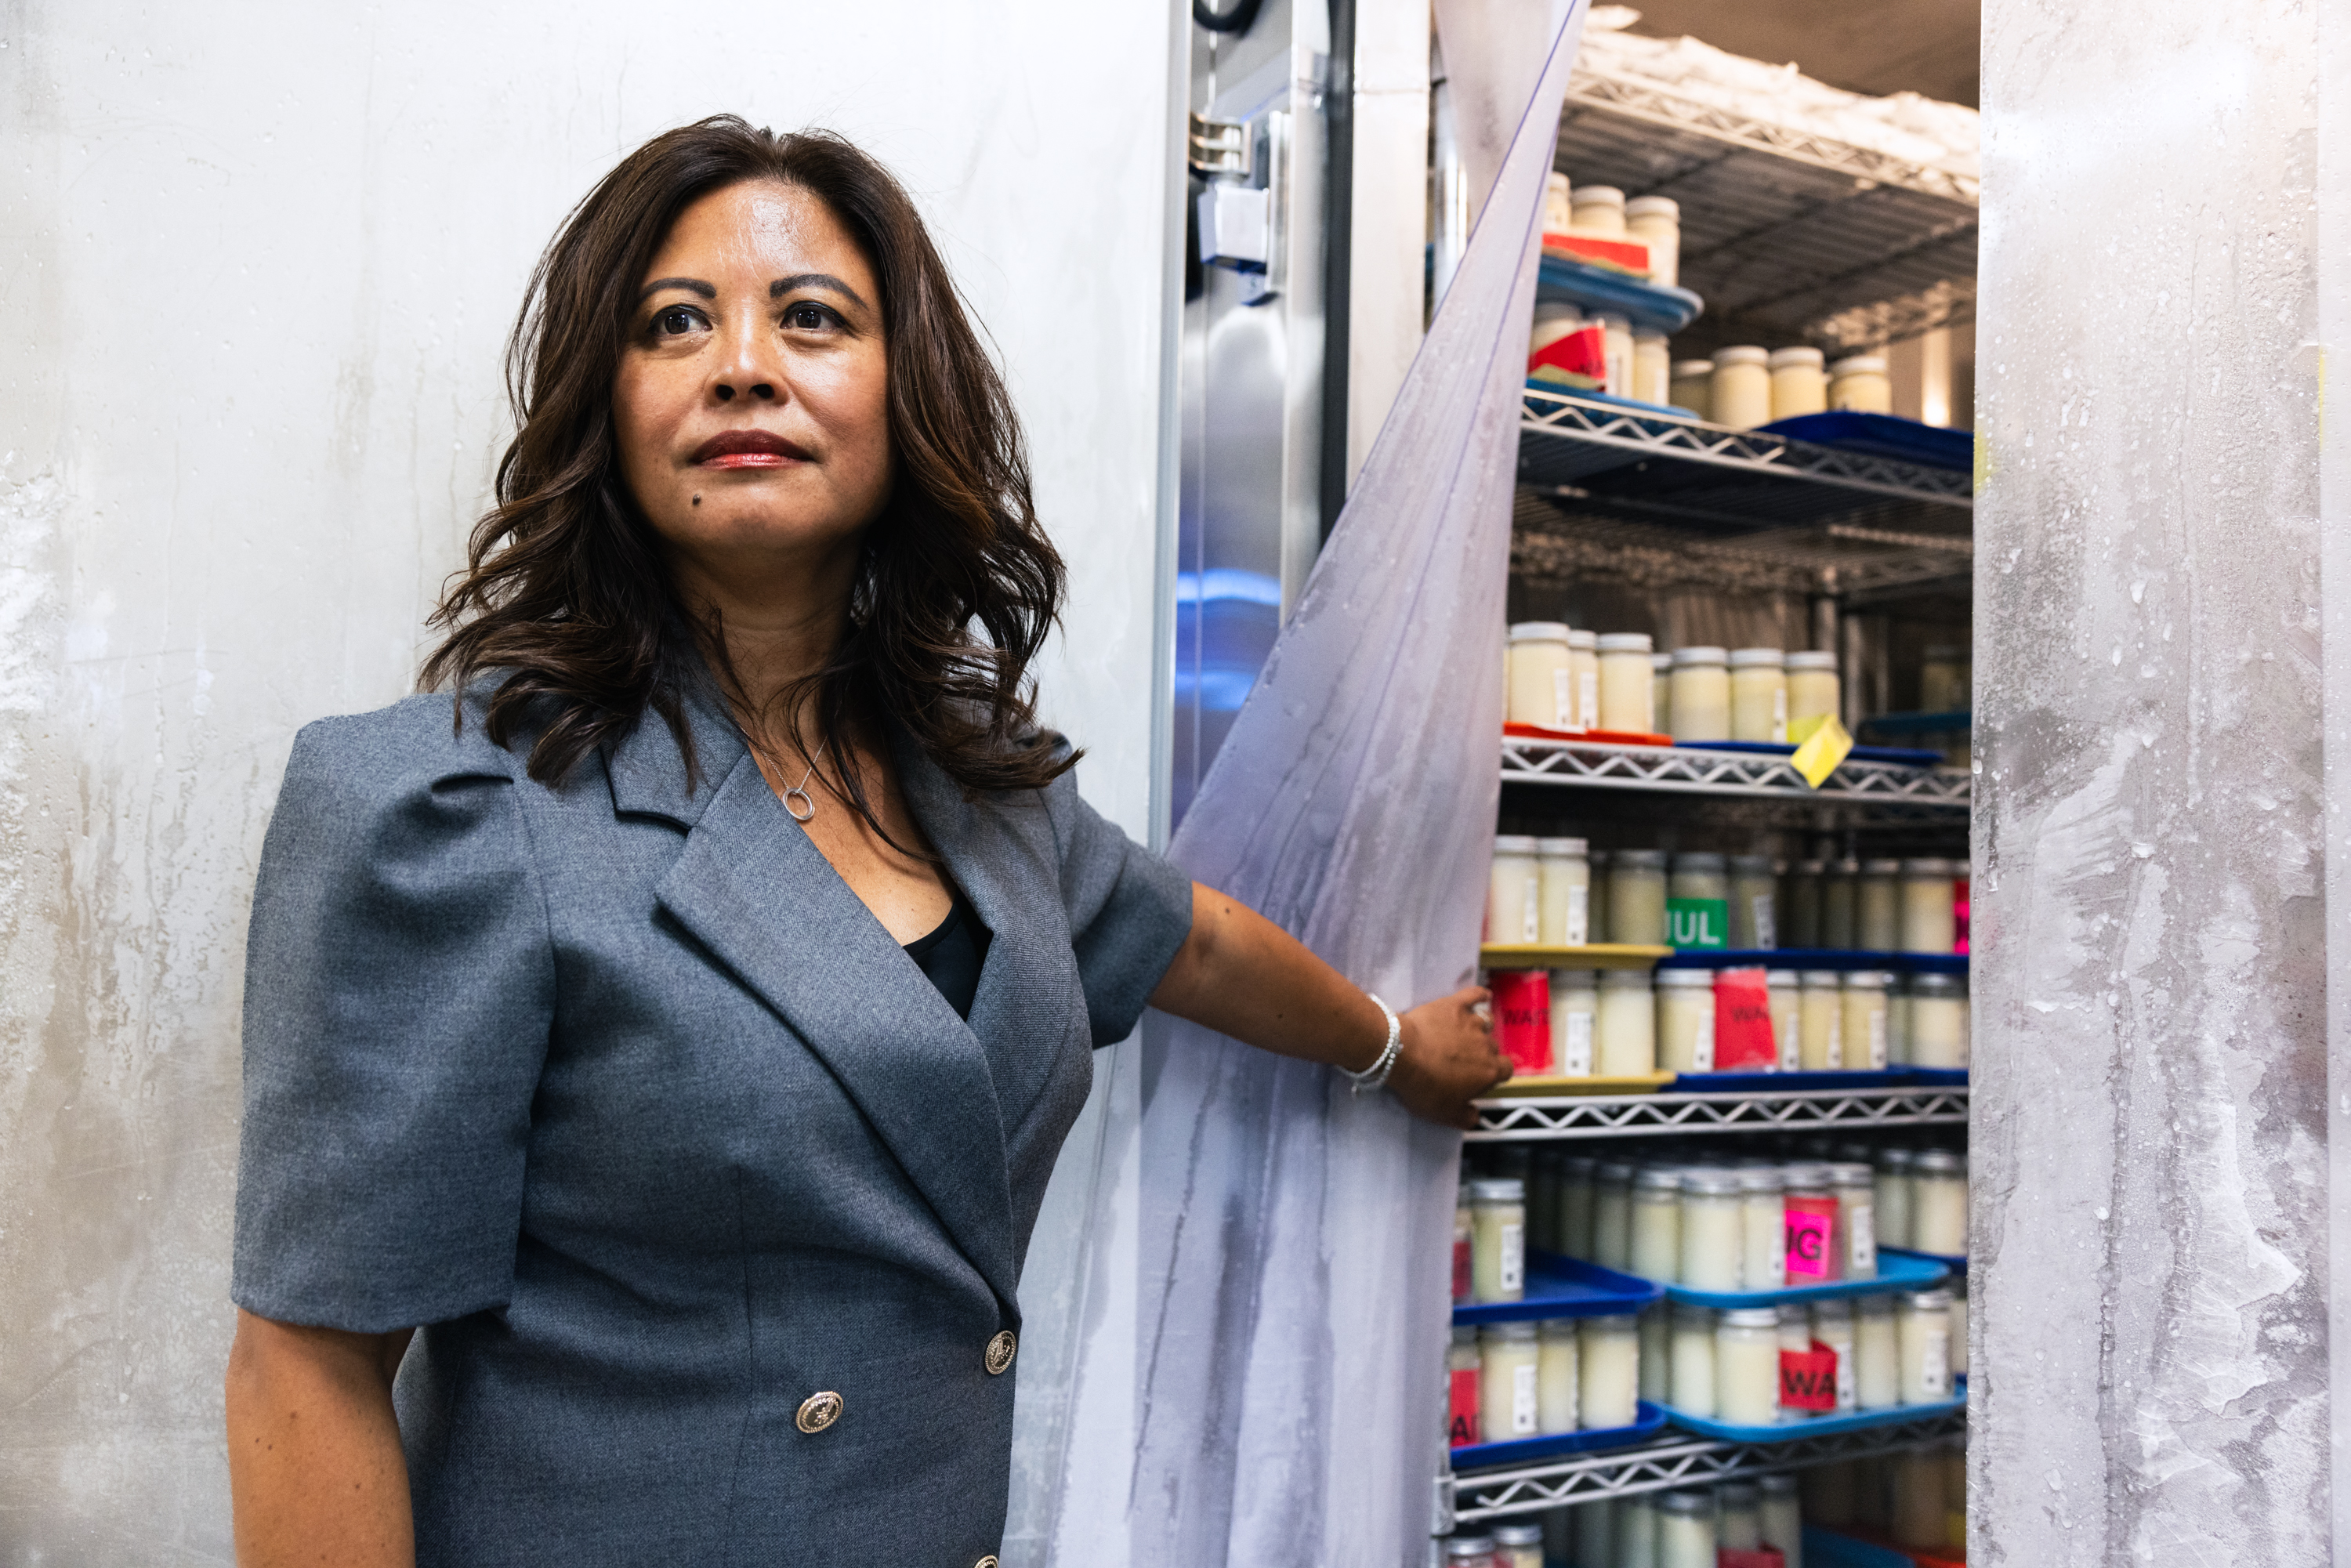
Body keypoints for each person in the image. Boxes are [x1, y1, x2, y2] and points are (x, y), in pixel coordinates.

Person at [223, 116, 1506, 1568]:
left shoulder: (985, 791)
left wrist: (1392, 1046)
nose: (743, 363)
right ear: (610, 403)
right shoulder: (450, 810)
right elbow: (309, 1364)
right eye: (674, 323)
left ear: (911, 401)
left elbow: (1190, 938)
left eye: (813, 318)